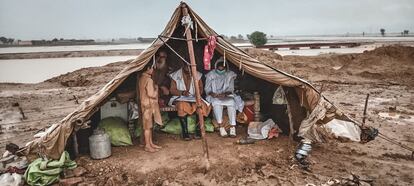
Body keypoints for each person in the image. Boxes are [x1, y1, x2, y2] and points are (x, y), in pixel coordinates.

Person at [169, 65, 211, 140]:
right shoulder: (175, 75)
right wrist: (182, 92)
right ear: (183, 65)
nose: (188, 68)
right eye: (186, 66)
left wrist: (197, 94)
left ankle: (198, 131)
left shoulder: (197, 74)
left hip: (194, 98)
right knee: (181, 105)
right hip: (180, 98)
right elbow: (172, 90)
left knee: (201, 105)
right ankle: (185, 132)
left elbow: (201, 88)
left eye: (190, 67)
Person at [205, 58, 244, 137]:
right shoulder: (210, 75)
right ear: (216, 66)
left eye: (222, 67)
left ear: (226, 67)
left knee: (232, 103)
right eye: (219, 67)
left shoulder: (230, 74)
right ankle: (221, 127)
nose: (221, 69)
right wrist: (213, 94)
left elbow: (231, 89)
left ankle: (233, 127)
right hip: (215, 96)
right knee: (216, 103)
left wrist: (225, 94)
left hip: (226, 96)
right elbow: (207, 89)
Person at [139, 64, 163, 152]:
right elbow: (151, 94)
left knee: (148, 126)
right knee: (147, 127)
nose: (153, 70)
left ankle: (151, 143)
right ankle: (147, 146)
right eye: (152, 68)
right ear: (148, 69)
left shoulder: (142, 78)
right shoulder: (149, 80)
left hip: (144, 104)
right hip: (148, 105)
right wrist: (156, 89)